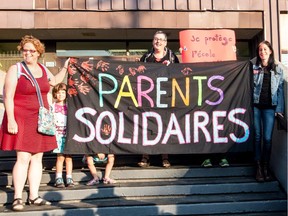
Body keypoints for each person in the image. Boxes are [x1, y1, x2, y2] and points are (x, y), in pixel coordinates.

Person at [0, 35, 70, 211]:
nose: (28, 53)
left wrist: (65, 67)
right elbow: (8, 96)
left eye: (32, 50)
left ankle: (33, 196)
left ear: (39, 52)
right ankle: (17, 197)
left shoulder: (43, 69)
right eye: (25, 50)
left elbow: (54, 82)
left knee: (37, 158)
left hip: (41, 118)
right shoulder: (16, 69)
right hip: (21, 117)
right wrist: (11, 120)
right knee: (23, 157)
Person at [138, 31, 179, 168]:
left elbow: (180, 73)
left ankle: (165, 157)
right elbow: (139, 75)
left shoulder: (172, 57)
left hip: (165, 98)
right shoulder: (146, 57)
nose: (158, 42)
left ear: (165, 42)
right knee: (147, 126)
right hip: (148, 97)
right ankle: (145, 156)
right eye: (156, 39)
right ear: (152, 41)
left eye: (161, 40)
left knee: (164, 127)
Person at [251, 40, 285, 182]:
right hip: (256, 106)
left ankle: (266, 167)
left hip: (270, 107)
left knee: (268, 139)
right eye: (260, 50)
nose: (262, 52)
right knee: (258, 137)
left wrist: (279, 109)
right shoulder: (254, 67)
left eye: (265, 49)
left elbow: (280, 90)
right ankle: (258, 168)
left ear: (270, 51)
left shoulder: (278, 69)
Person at [52, 83, 74, 188]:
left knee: (69, 157)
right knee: (60, 157)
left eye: (63, 92)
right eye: (58, 93)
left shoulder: (69, 107)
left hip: (68, 134)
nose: (60, 95)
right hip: (58, 135)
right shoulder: (53, 107)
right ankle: (58, 177)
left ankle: (69, 177)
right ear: (55, 94)